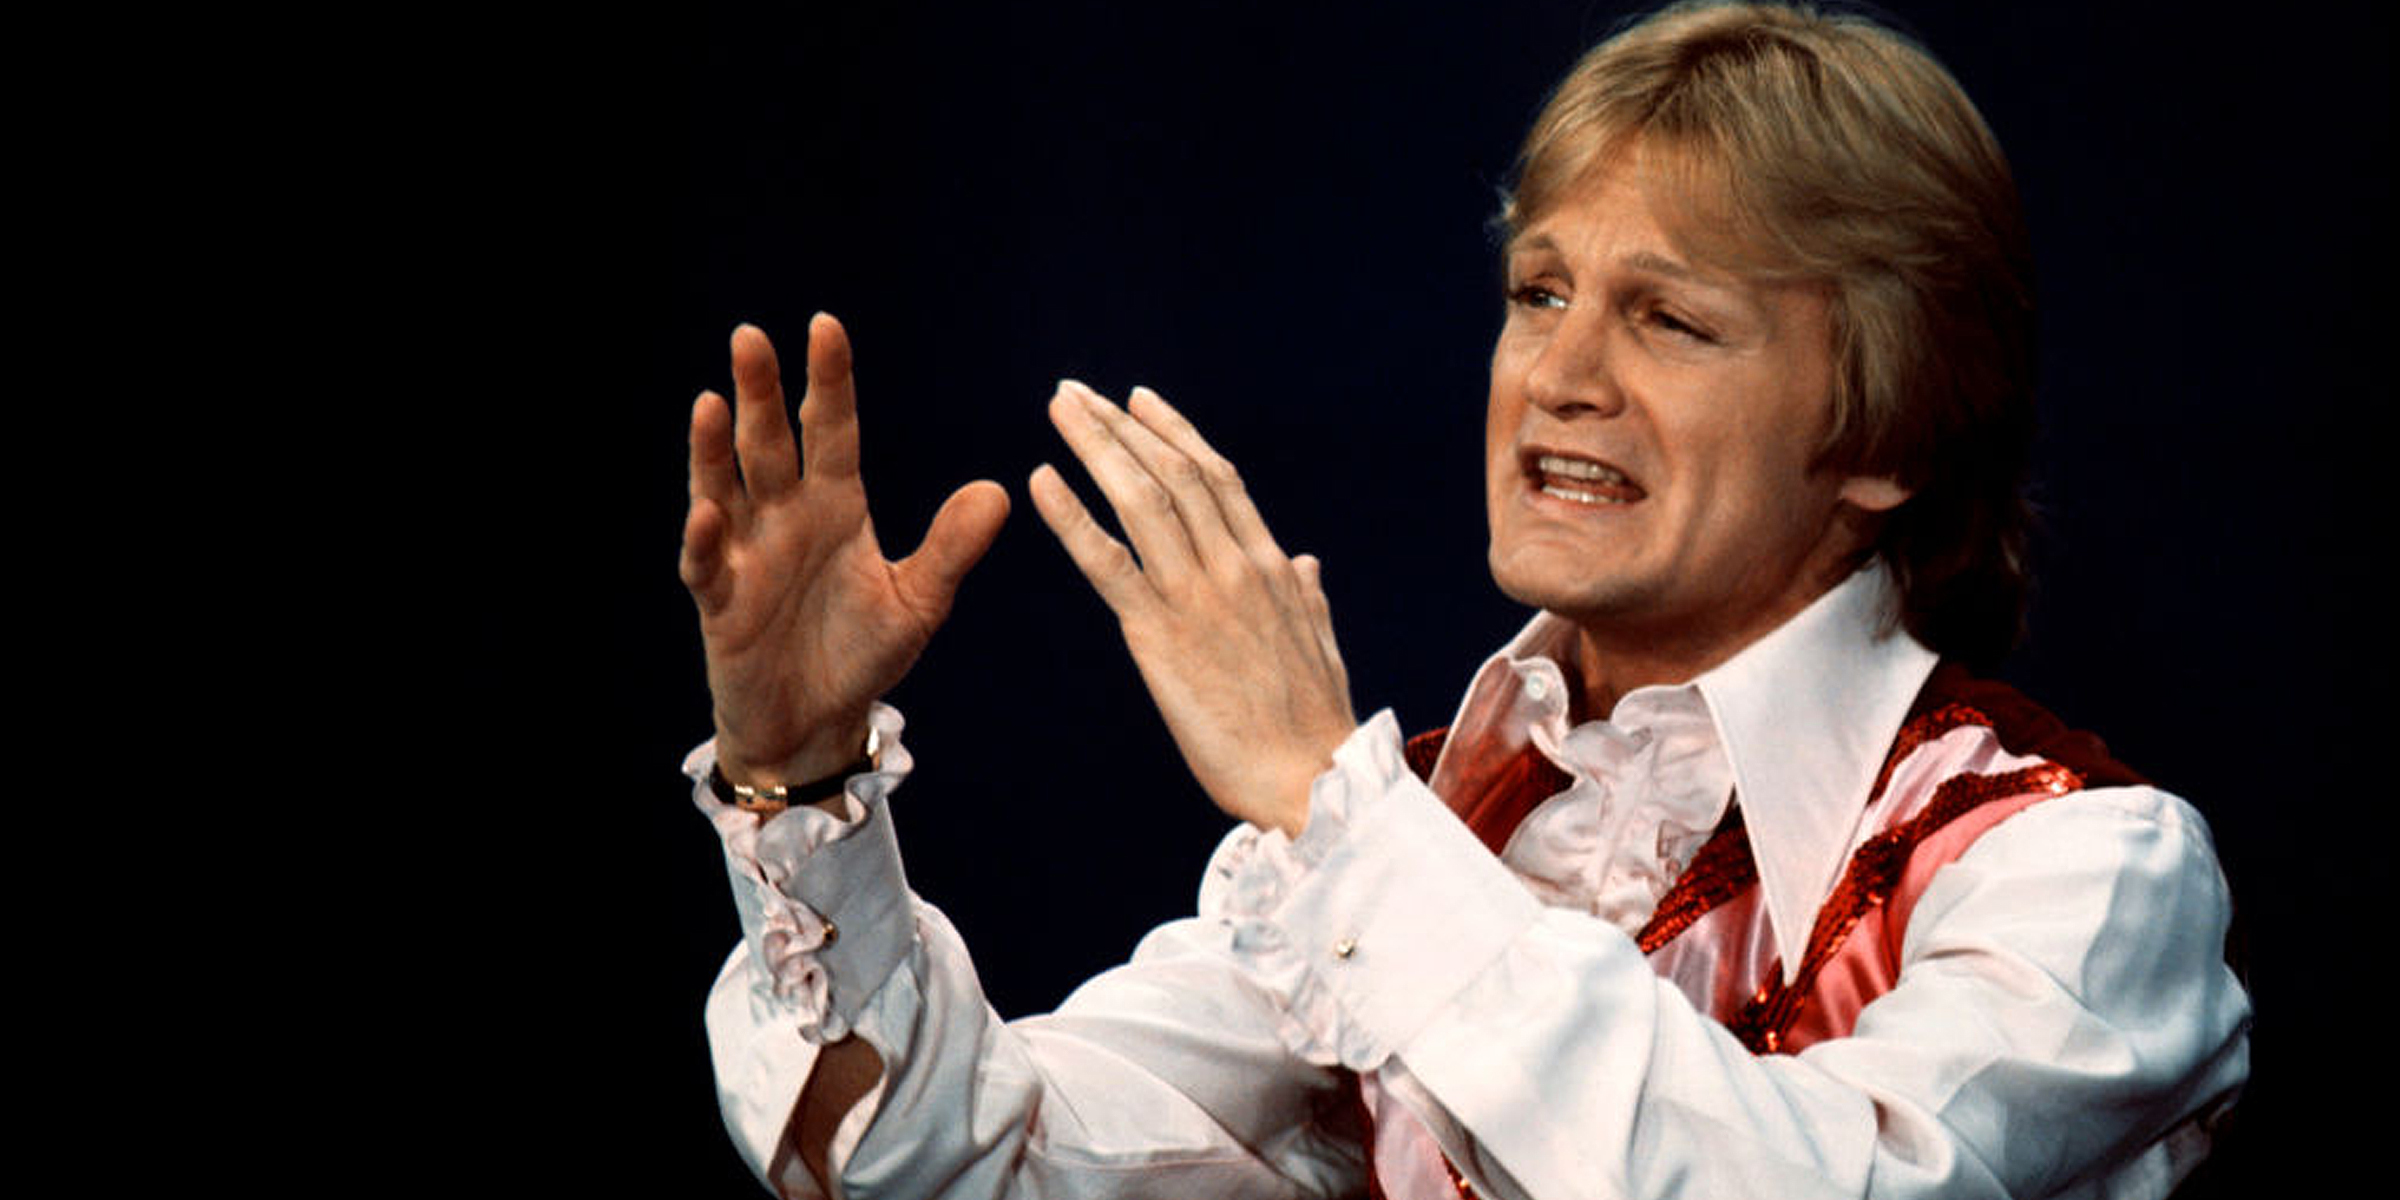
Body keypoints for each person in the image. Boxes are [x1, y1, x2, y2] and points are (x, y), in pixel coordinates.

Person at [675, 3, 2251, 1196]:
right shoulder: (1413, 835)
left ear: (1892, 435)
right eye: (1540, 293)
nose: (1559, 379)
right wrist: (808, 786)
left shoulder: (2084, 877)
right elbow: (968, 1167)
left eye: (1672, 321)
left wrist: (1331, 805)